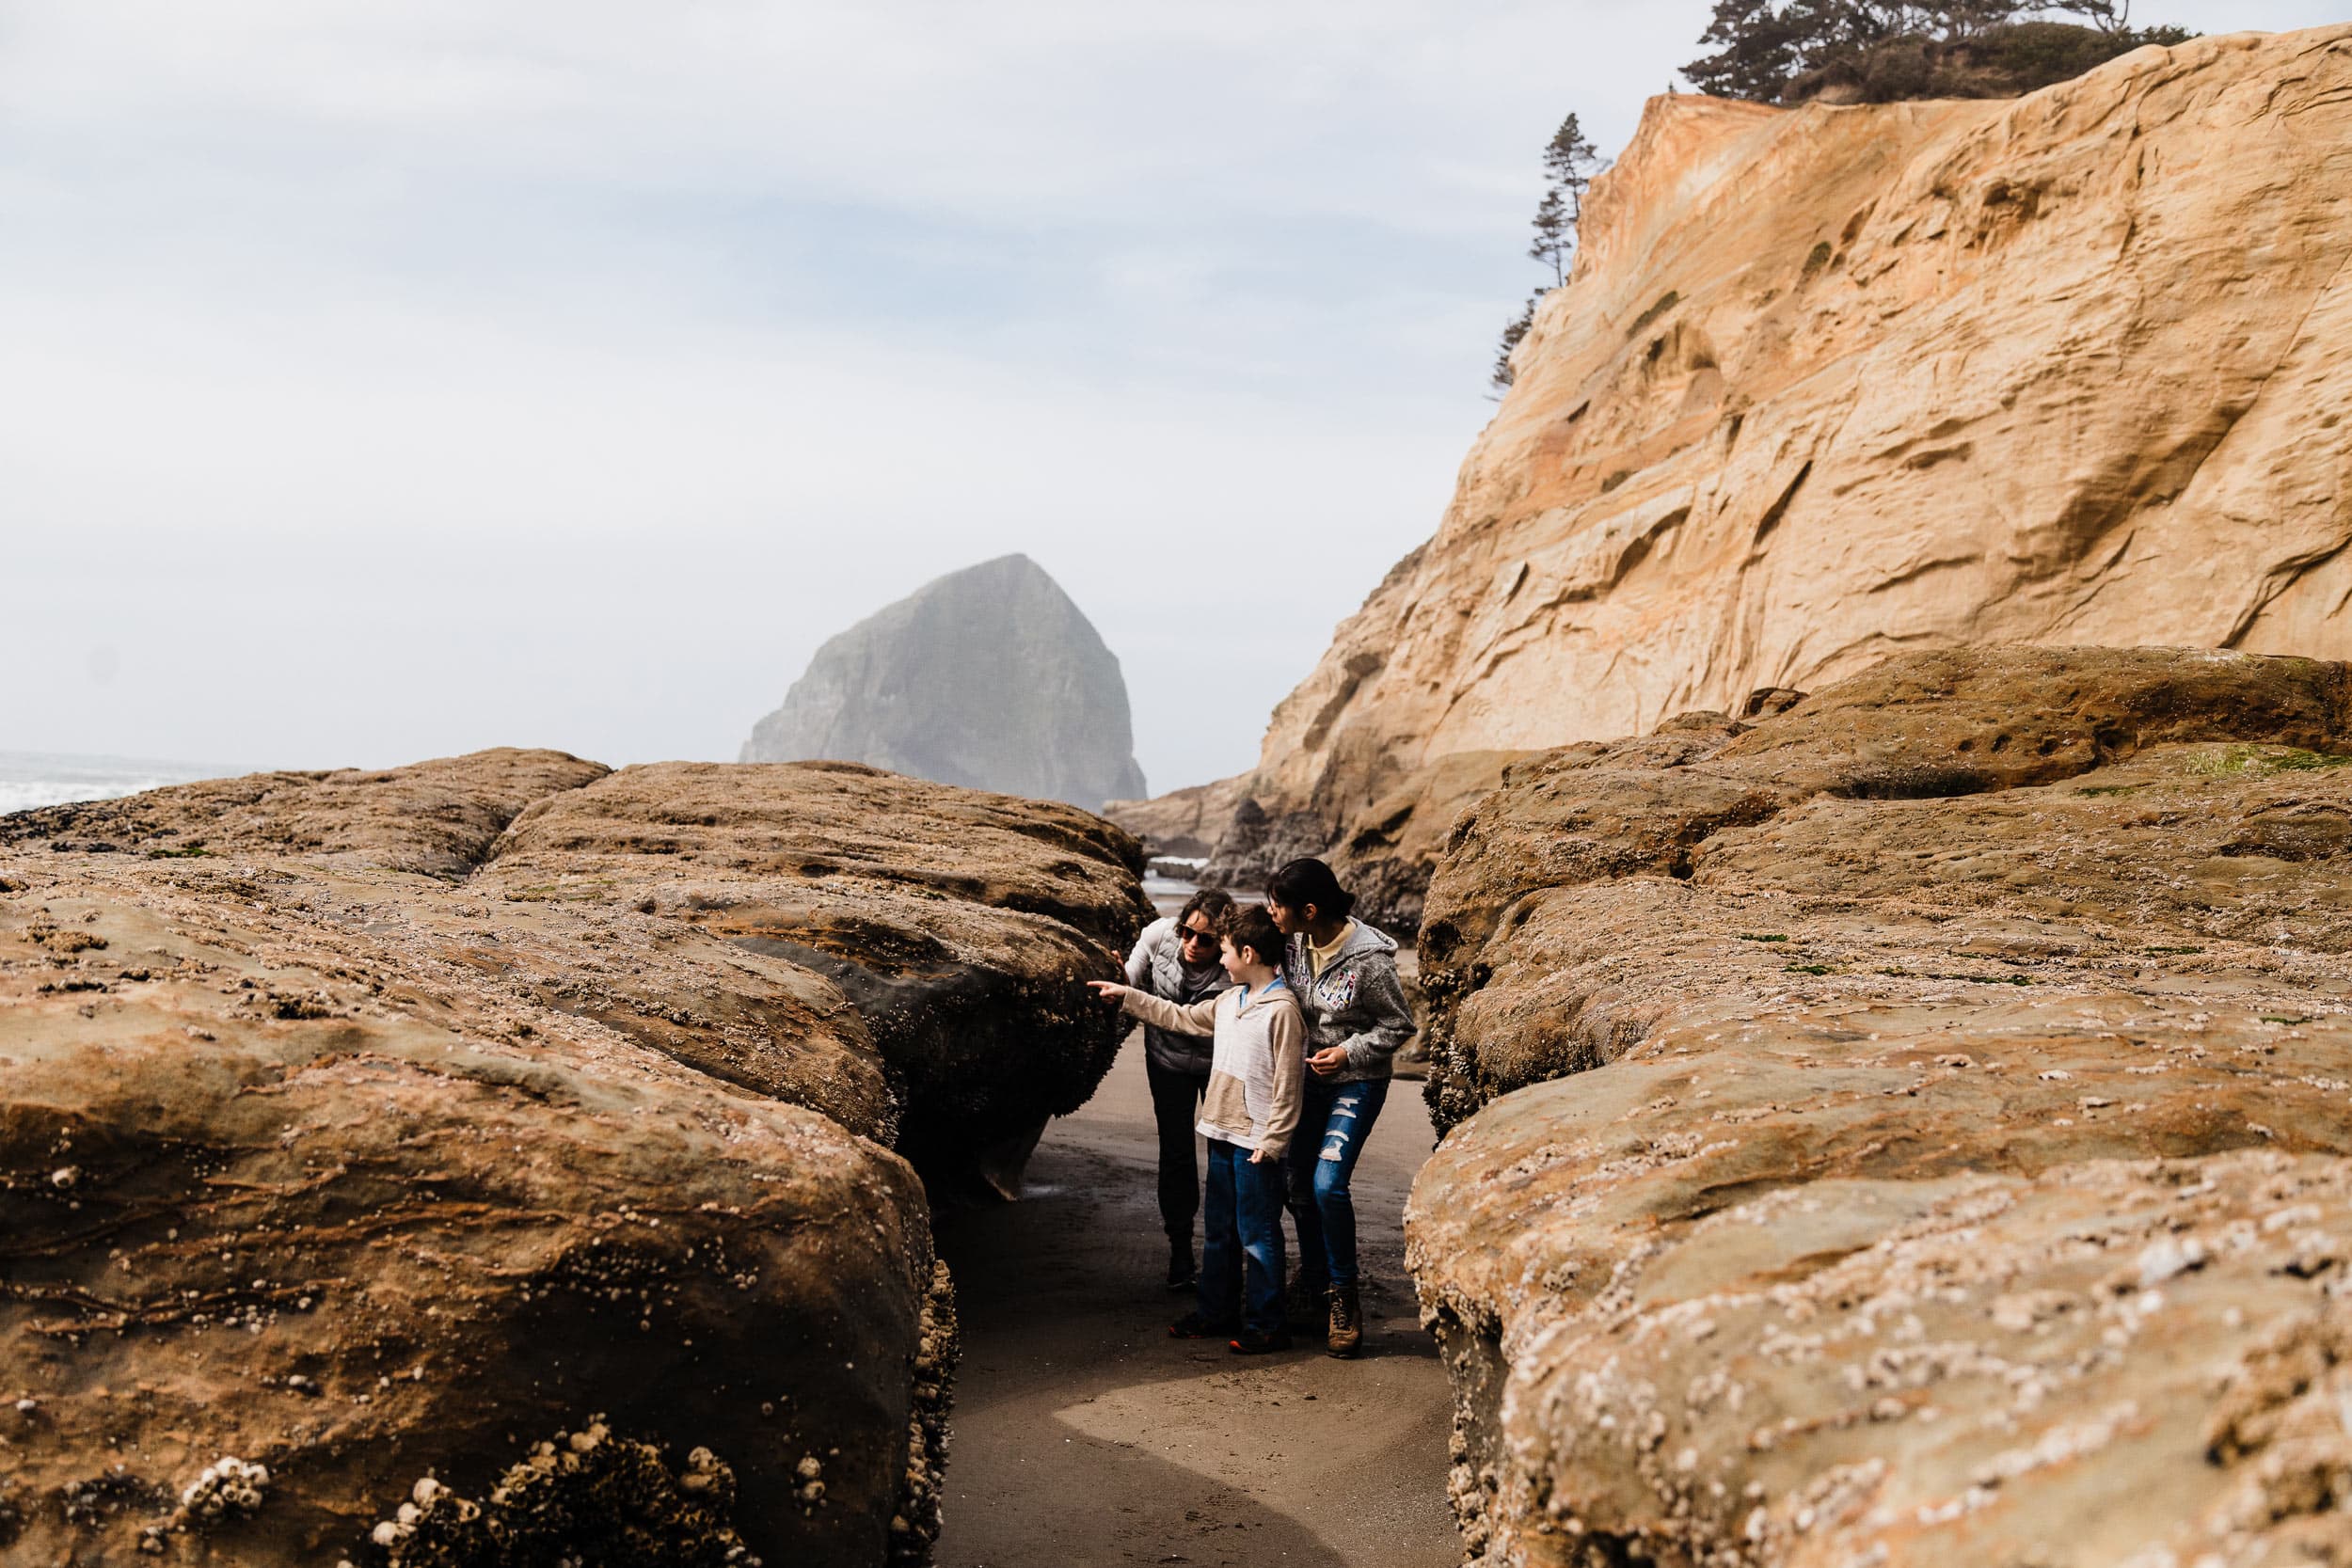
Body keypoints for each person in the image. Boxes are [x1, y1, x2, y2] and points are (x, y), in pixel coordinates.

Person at [1089, 906, 1304, 1354]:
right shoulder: (1231, 1001)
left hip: (1255, 1144)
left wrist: (1274, 1141)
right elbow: (1180, 1017)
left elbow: (1288, 1084)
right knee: (1220, 1229)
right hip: (1222, 1132)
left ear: (1247, 952)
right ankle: (1215, 1312)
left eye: (1225, 951)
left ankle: (1268, 1323)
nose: (1222, 961)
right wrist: (1127, 995)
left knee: (1258, 1233)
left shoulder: (1282, 1011)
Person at [1265, 857, 1416, 1359]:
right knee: (1295, 1185)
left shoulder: (1370, 960)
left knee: (1327, 1184)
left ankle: (1343, 1298)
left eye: (1278, 904)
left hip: (1358, 1084)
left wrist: (1348, 1052)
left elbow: (1398, 1027)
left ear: (1309, 910)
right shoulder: (1291, 944)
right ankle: (1313, 1281)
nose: (1272, 911)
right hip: (1307, 1084)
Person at [1122, 889, 1238, 1289]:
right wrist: (1116, 979)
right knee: (1176, 1153)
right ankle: (1181, 1251)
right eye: (1187, 932)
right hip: (1166, 1061)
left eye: (1206, 939)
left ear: (1222, 940)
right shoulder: (1158, 935)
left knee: (1225, 1155)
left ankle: (1225, 1256)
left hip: (1218, 1064)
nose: (1192, 944)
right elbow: (1128, 980)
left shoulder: (1236, 964)